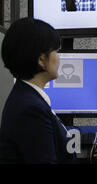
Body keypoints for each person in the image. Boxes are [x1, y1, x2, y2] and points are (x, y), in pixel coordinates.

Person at [0, 18, 75, 163]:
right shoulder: (30, 109)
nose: (59, 58)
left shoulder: (26, 96)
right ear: (41, 60)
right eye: (56, 51)